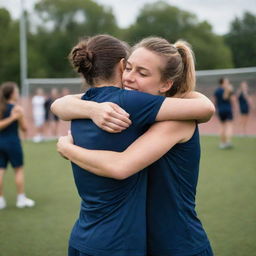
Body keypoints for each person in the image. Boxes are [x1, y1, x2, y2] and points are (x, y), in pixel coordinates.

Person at [51, 35, 215, 256]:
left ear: (166, 84)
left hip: (179, 245)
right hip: (141, 245)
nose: (128, 78)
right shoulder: (133, 109)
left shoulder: (176, 119)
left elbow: (205, 108)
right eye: (128, 68)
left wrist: (67, 148)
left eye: (142, 73)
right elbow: (65, 103)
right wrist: (93, 109)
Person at [0, 82, 35, 209]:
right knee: (18, 170)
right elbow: (24, 128)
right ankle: (21, 200)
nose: (18, 93)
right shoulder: (17, 108)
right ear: (12, 94)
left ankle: (1, 201)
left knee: (1, 170)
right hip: (12, 143)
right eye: (16, 91)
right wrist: (15, 117)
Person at [214, 77, 235, 149]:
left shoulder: (216, 91)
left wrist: (216, 109)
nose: (228, 83)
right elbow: (225, 97)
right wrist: (228, 90)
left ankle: (222, 143)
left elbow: (215, 101)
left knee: (222, 126)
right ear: (222, 83)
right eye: (226, 82)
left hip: (220, 110)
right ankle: (228, 142)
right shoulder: (228, 89)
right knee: (229, 126)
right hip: (227, 110)